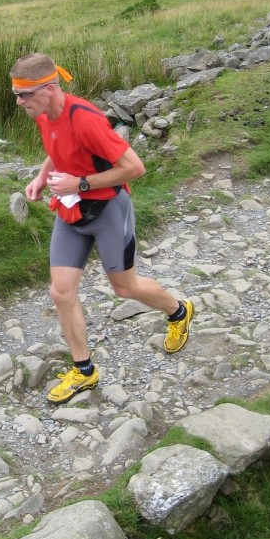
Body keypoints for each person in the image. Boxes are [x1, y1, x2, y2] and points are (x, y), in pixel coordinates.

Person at [10, 53, 194, 403]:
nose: (19, 102)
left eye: (25, 95)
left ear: (49, 88)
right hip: (71, 214)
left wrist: (79, 184)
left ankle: (179, 311)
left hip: (109, 210)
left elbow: (135, 168)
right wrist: (41, 176)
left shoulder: (86, 119)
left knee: (125, 289)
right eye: (16, 94)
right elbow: (57, 148)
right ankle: (84, 371)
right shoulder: (44, 112)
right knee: (61, 293)